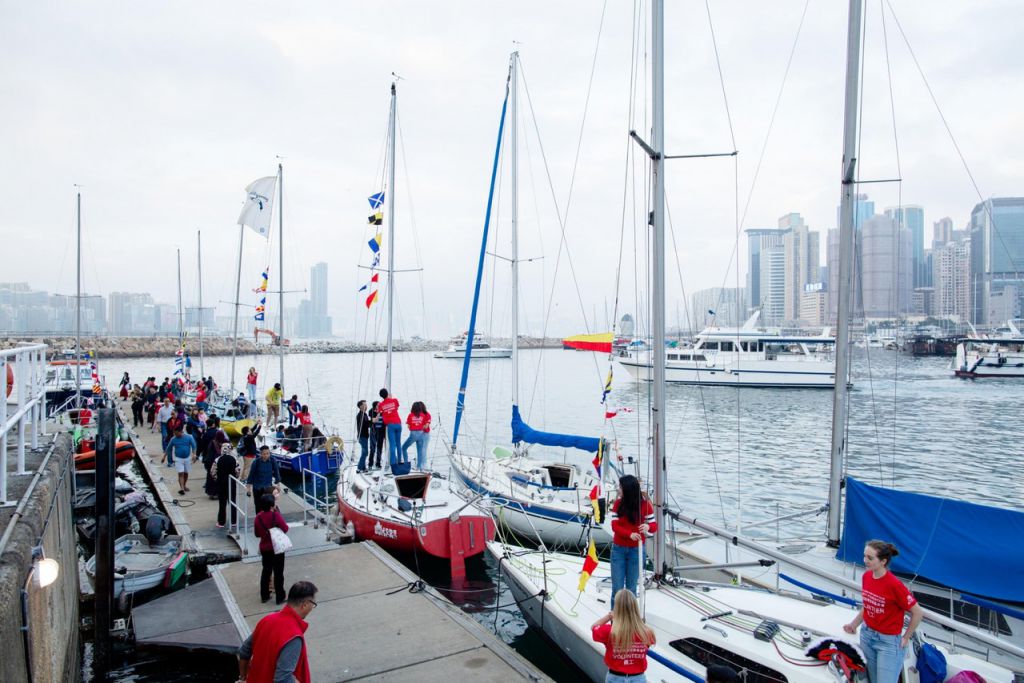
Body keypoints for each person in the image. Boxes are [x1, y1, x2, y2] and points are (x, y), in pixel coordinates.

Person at [843, 540, 924, 683]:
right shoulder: (866, 577)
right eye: (864, 556)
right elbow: (868, 605)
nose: (865, 561)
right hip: (867, 635)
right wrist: (854, 625)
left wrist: (906, 637)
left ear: (883, 561)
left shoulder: (894, 585)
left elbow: (917, 612)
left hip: (888, 642)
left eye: (870, 558)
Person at [237, 581, 317, 683]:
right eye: (313, 604)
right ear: (305, 605)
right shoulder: (294, 637)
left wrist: (243, 678)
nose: (312, 608)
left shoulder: (266, 620)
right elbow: (282, 679)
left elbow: (244, 651)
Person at [609, 475, 657, 608]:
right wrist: (629, 534)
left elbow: (653, 526)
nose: (619, 490)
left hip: (636, 551)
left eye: (620, 487)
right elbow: (614, 526)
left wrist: (648, 527)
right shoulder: (618, 504)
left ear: (628, 489)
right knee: (617, 589)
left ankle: (630, 621)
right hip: (619, 549)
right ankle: (615, 620)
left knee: (631, 590)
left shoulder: (645, 505)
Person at [591, 589, 656, 683]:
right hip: (638, 678)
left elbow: (594, 627)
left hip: (615, 677)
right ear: (635, 609)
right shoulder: (647, 632)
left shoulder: (610, 631)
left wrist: (609, 616)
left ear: (616, 609)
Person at [254, 493, 289, 605]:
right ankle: (280, 596)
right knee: (278, 572)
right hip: (277, 548)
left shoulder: (258, 518)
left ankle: (264, 595)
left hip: (265, 548)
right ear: (272, 505)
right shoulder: (275, 515)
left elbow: (257, 534)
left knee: (266, 571)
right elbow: (285, 528)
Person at [164, 424, 198, 496]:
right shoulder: (173, 439)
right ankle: (182, 489)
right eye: (174, 433)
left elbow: (194, 446)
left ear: (181, 432)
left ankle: (184, 485)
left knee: (186, 473)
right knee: (181, 473)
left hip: (187, 458)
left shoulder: (189, 437)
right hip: (178, 459)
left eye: (176, 433)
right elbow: (169, 448)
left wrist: (194, 455)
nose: (175, 435)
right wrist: (164, 457)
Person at [213, 443, 240, 529]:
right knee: (232, 502)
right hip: (231, 483)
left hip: (221, 484)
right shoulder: (234, 459)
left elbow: (213, 472)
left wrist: (217, 479)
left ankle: (221, 522)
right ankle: (233, 521)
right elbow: (237, 472)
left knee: (222, 503)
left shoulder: (218, 459)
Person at [401, 401, 432, 470]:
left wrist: (413, 426)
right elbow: (425, 425)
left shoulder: (410, 415)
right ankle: (419, 468)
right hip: (421, 434)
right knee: (420, 451)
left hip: (413, 434)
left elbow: (409, 426)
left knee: (403, 448)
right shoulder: (423, 415)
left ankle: (406, 465)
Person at [378, 388, 402, 468]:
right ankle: (400, 461)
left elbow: (379, 411)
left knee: (392, 444)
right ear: (388, 393)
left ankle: (393, 464)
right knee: (398, 443)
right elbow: (397, 407)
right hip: (398, 423)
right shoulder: (394, 400)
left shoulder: (381, 404)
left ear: (381, 396)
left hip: (390, 425)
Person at [368, 400, 386, 469]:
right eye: (378, 405)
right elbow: (374, 420)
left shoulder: (383, 412)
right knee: (372, 448)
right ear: (375, 406)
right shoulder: (371, 411)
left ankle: (378, 463)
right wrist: (379, 413)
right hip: (374, 432)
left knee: (379, 448)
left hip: (381, 432)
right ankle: (370, 464)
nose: (380, 406)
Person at [355, 400, 371, 472]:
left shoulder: (365, 414)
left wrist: (370, 422)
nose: (366, 406)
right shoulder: (360, 415)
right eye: (364, 405)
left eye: (366, 405)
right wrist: (371, 421)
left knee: (364, 452)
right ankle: (360, 467)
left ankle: (363, 467)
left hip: (365, 436)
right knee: (365, 452)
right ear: (360, 406)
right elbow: (365, 424)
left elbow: (367, 424)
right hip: (362, 436)